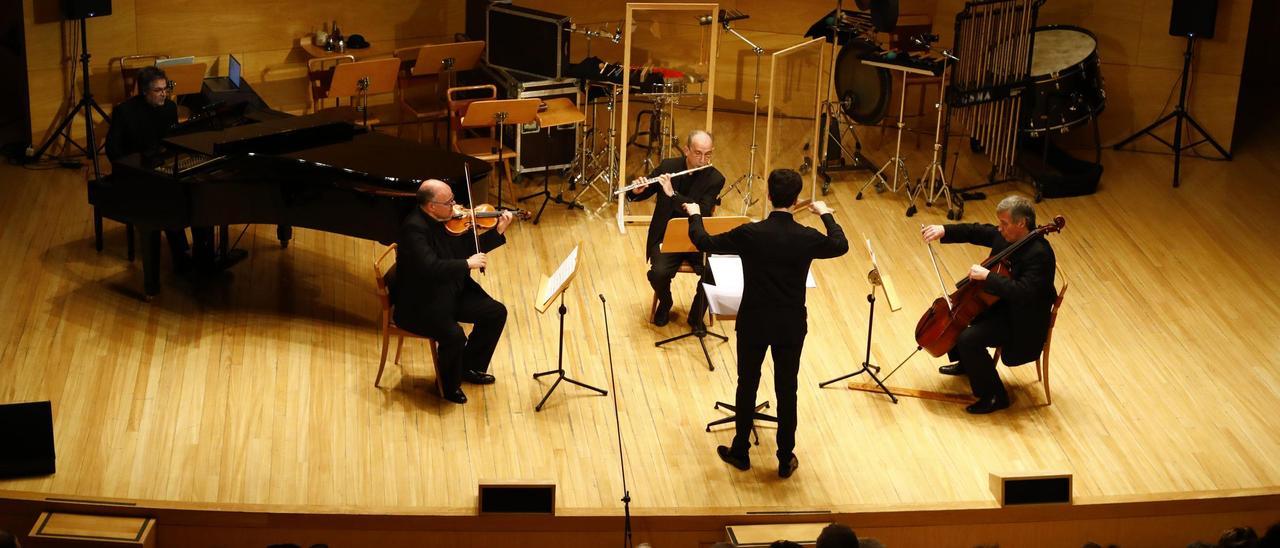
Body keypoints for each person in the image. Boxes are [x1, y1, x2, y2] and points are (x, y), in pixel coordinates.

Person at [683, 168, 848, 478]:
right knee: (788, 390)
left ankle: (741, 451)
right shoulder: (806, 237)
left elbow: (703, 240)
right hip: (789, 325)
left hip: (754, 322)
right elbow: (840, 245)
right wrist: (825, 214)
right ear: (797, 199)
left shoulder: (750, 233)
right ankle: (785, 458)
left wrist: (694, 214)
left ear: (770, 196)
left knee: (747, 384)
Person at [921, 194, 1057, 414]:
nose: (999, 228)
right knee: (959, 316)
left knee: (968, 338)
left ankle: (994, 395)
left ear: (1021, 223)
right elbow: (978, 231)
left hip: (1022, 319)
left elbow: (1025, 293)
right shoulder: (1009, 237)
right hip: (1003, 305)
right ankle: (967, 365)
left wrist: (988, 277)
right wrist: (944, 230)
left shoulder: (1039, 254)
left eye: (1004, 223)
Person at [393, 179, 512, 404]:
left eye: (453, 200)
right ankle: (448, 386)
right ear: (431, 206)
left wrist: (497, 231)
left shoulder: (445, 220)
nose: (455, 206)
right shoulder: (414, 230)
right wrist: (467, 264)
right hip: (421, 302)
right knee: (455, 335)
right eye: (449, 202)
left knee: (495, 312)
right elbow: (431, 268)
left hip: (449, 288)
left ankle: (469, 367)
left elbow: (465, 248)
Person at [104, 66, 221, 272]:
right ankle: (181, 255)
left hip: (162, 168)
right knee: (168, 201)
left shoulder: (168, 108)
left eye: (165, 89)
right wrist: (136, 166)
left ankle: (204, 250)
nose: (164, 94)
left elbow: (172, 141)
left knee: (197, 193)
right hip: (136, 173)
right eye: (158, 90)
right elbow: (113, 150)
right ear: (144, 92)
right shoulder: (124, 112)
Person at [627, 130, 725, 328]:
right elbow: (647, 191)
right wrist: (636, 191)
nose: (703, 159)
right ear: (687, 150)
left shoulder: (715, 179)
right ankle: (666, 302)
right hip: (666, 237)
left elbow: (703, 211)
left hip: (697, 238)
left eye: (708, 154)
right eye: (698, 153)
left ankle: (697, 314)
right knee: (658, 273)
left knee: (714, 271)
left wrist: (673, 195)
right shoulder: (669, 166)